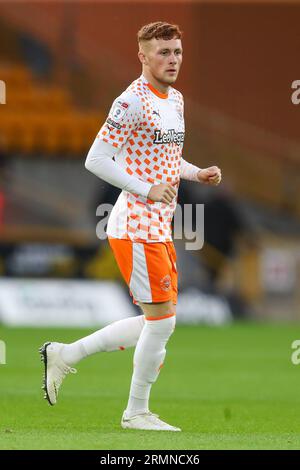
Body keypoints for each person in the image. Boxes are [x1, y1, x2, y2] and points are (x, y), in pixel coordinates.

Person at [39, 21, 222, 432]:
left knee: (158, 320)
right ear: (142, 56)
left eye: (176, 52)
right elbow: (96, 159)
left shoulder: (174, 99)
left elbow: (167, 158)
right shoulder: (130, 101)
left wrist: (197, 174)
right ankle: (135, 412)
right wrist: (145, 189)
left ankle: (65, 355)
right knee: (162, 322)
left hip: (157, 225)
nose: (172, 60)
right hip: (134, 224)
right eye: (163, 53)